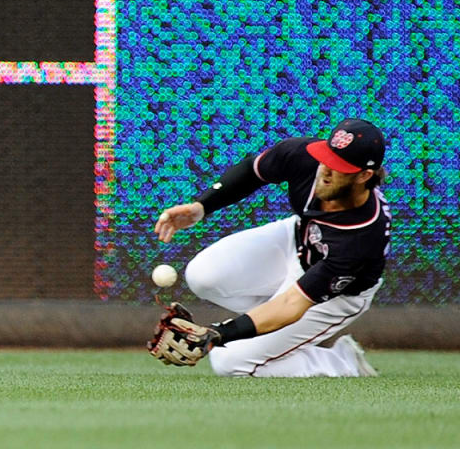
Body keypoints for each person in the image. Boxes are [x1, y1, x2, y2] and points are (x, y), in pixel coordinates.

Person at [151, 118, 389, 377]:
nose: (325, 169)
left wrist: (220, 333)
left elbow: (291, 303)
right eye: (327, 157)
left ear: (364, 176)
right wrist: (201, 206)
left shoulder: (363, 237)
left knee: (229, 362)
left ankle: (343, 362)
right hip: (296, 239)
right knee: (202, 275)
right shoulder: (304, 157)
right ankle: (278, 334)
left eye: (338, 166)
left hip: (337, 295)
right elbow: (252, 171)